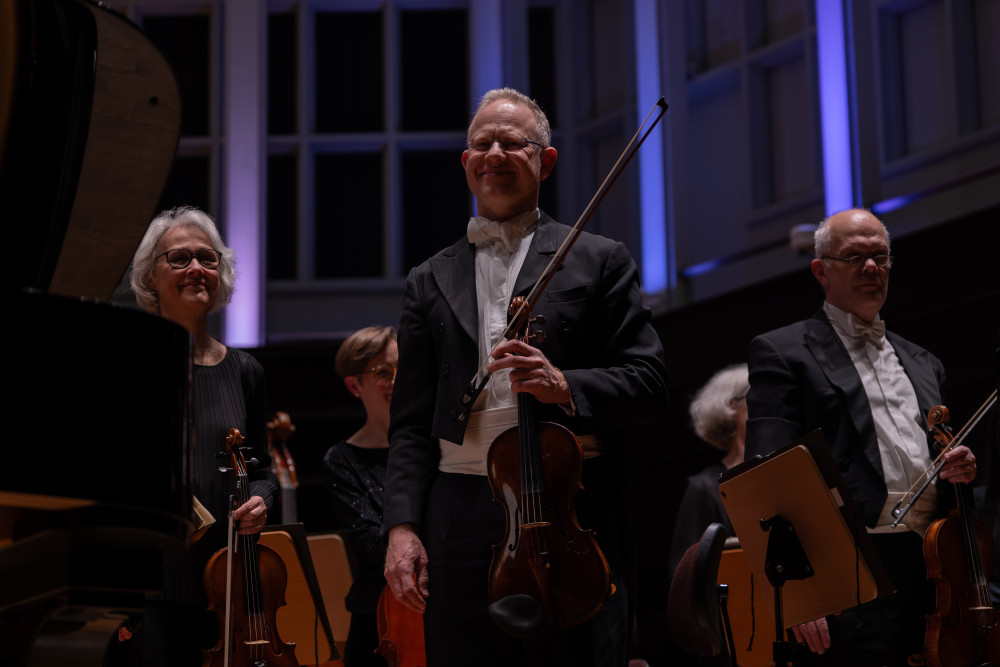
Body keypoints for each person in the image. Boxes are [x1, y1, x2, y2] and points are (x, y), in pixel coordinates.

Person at [381, 87, 668, 667]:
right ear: (465, 164)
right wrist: (402, 527)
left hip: (571, 506)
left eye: (513, 142)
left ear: (546, 160)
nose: (495, 153)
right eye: (481, 143)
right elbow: (410, 423)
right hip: (459, 512)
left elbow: (650, 380)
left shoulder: (598, 258)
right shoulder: (427, 279)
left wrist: (567, 386)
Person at [744, 208, 978, 666]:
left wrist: (959, 466)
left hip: (931, 564)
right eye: (854, 257)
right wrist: (798, 589)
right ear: (821, 271)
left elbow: (938, 450)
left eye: (880, 257)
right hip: (848, 565)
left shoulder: (924, 360)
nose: (871, 268)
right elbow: (768, 477)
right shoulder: (782, 352)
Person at [124, 205, 278, 666]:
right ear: (150, 276)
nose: (196, 268)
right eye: (179, 258)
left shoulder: (245, 370)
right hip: (151, 589)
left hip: (231, 587)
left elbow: (262, 470)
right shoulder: (128, 365)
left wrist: (263, 500)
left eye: (207, 259)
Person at [323, 325, 398, 667]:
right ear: (355, 386)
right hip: (376, 620)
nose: (396, 380)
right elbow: (370, 543)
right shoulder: (342, 459)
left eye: (402, 369)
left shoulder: (438, 443)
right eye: (383, 372)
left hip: (441, 603)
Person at [667, 363, 748, 578]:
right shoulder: (703, 487)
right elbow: (685, 574)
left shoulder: (777, 473)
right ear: (733, 408)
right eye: (755, 394)